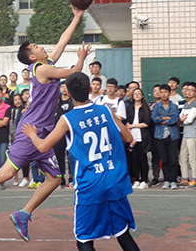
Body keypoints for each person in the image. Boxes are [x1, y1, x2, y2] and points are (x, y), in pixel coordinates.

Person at [0, 7, 90, 242]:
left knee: (55, 178)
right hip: (32, 131)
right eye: (36, 47)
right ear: (32, 57)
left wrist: (77, 17)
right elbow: (74, 74)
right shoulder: (43, 69)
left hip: (43, 133)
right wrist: (80, 59)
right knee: (8, 171)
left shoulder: (45, 63)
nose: (42, 47)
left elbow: (62, 40)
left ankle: (23, 213)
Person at [22, 72, 140, 251]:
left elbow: (43, 147)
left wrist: (32, 134)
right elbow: (128, 138)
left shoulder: (67, 119)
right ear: (90, 89)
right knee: (123, 233)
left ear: (68, 93)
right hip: (114, 179)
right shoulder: (106, 110)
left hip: (90, 184)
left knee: (84, 239)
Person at [151, 84, 180, 190]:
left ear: (169, 93)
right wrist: (166, 118)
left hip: (173, 136)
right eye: (161, 92)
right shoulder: (156, 106)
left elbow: (174, 118)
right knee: (164, 160)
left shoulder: (174, 106)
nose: (163, 94)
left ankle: (173, 180)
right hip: (160, 136)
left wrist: (162, 119)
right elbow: (154, 118)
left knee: (173, 160)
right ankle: (167, 180)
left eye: (165, 92)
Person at [125, 88, 151, 189]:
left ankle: (144, 180)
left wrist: (133, 125)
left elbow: (146, 123)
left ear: (142, 96)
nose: (136, 95)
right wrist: (128, 127)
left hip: (142, 136)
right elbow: (126, 121)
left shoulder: (145, 107)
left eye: (139, 93)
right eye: (135, 94)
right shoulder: (129, 107)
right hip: (132, 135)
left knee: (142, 158)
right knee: (134, 159)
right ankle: (136, 179)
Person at [178, 82, 196, 189]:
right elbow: (180, 118)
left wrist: (182, 119)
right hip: (185, 134)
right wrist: (182, 119)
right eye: (187, 90)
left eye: (191, 90)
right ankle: (185, 178)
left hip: (193, 135)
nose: (188, 92)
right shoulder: (186, 104)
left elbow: (189, 120)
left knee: (192, 158)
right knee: (182, 157)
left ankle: (195, 179)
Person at [54, 81, 75, 187]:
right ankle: (61, 176)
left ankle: (72, 177)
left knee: (71, 156)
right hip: (59, 134)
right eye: (62, 87)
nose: (64, 89)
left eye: (66, 87)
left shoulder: (72, 101)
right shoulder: (57, 104)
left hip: (70, 133)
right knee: (59, 156)